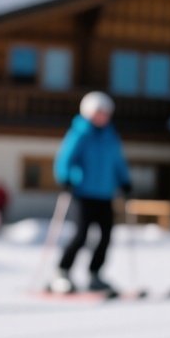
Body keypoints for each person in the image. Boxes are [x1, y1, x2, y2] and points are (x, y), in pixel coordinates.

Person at [51, 92, 131, 294]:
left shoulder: (111, 136)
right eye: (99, 113)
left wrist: (124, 180)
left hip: (105, 194)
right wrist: (65, 177)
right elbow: (65, 159)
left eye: (106, 113)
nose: (103, 117)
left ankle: (95, 274)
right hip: (83, 193)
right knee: (81, 234)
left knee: (106, 236)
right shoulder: (80, 134)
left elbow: (117, 162)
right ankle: (63, 271)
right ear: (88, 113)